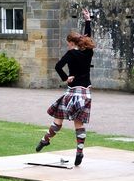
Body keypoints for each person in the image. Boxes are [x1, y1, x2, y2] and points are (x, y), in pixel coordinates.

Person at [36, 9, 95, 166]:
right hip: (85, 94)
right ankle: (80, 152)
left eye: (68, 43)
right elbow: (88, 37)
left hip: (71, 93)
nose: (67, 45)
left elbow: (57, 66)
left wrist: (65, 78)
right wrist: (88, 20)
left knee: (58, 122)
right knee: (79, 124)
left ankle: (45, 139)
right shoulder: (88, 52)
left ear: (71, 43)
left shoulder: (70, 54)